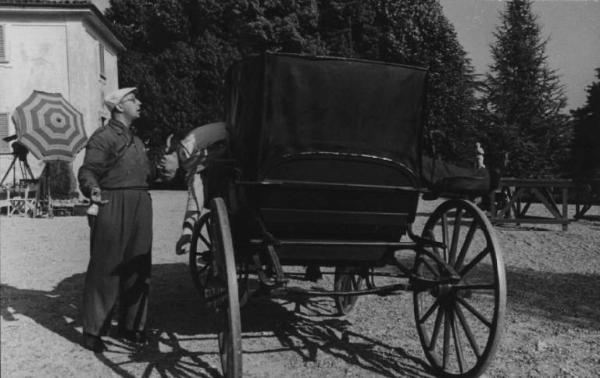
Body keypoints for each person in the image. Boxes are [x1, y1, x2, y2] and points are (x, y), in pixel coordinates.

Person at [78, 87, 153, 353]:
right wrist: (91, 189)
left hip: (140, 203)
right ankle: (93, 331)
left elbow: (144, 173)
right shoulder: (103, 137)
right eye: (133, 100)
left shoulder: (136, 139)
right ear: (119, 107)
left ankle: (132, 326)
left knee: (138, 264)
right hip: (112, 202)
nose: (139, 103)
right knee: (106, 267)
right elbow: (88, 170)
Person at [159, 122, 228, 255]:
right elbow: (195, 196)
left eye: (162, 167)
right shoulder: (186, 157)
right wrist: (187, 231)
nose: (161, 164)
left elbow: (195, 196)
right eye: (164, 172)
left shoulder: (184, 150)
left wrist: (187, 232)